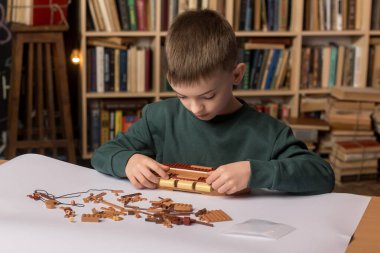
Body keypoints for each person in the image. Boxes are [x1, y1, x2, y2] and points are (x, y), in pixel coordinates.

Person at [91, 9, 334, 195]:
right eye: (182, 96)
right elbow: (102, 154)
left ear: (237, 75)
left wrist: (255, 172)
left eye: (208, 96)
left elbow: (322, 175)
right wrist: (128, 162)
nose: (196, 108)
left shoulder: (268, 132)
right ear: (170, 81)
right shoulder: (159, 116)